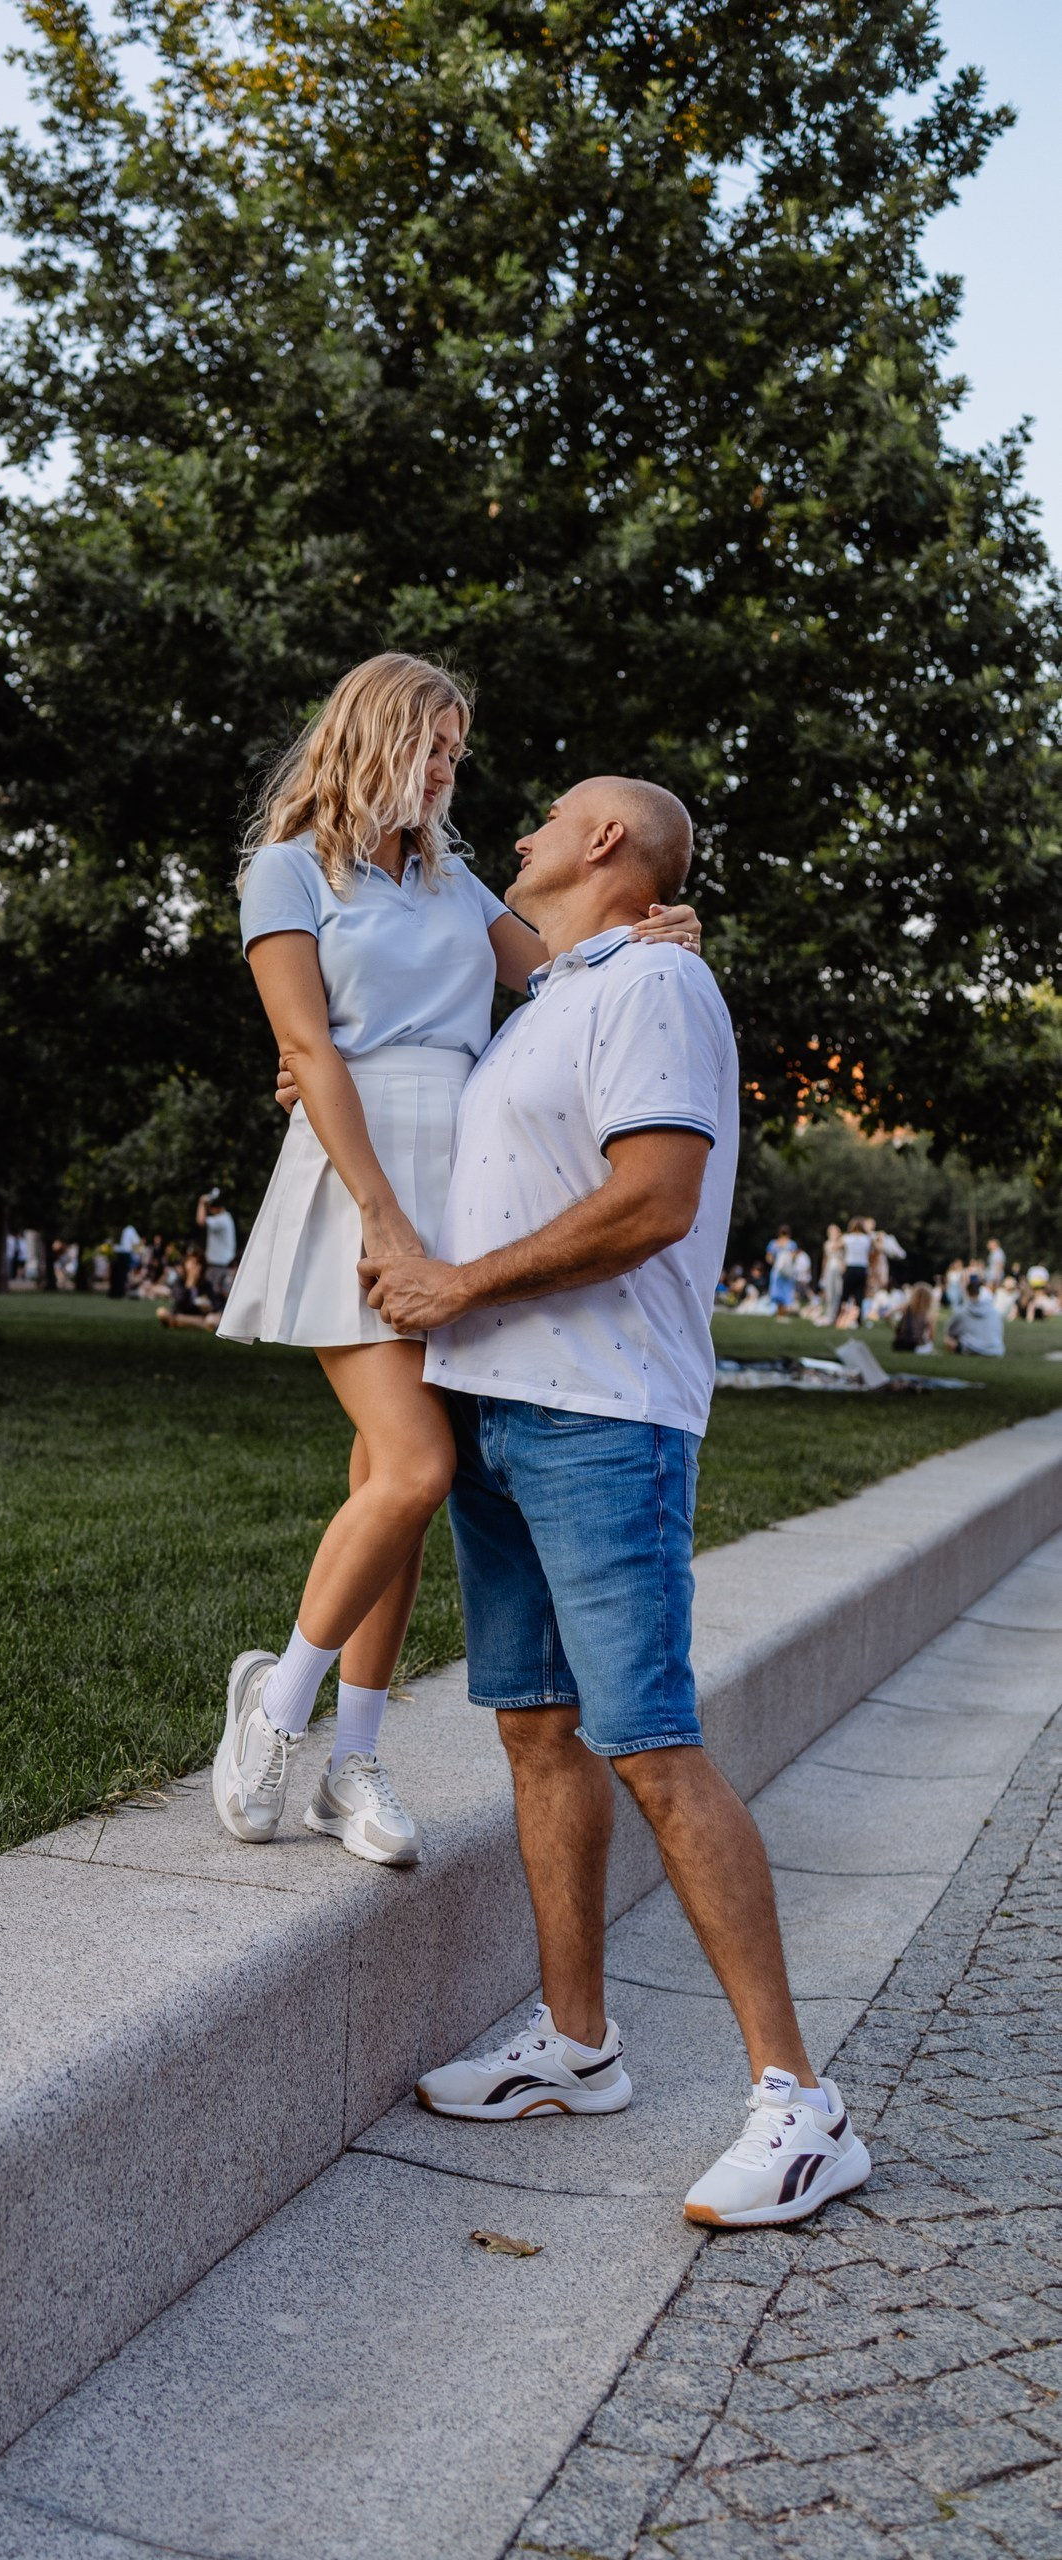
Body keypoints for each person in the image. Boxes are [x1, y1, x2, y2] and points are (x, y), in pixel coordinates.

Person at [360, 777, 870, 2231]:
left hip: (601, 1417)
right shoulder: (564, 991)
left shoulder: (655, 986)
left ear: (604, 842)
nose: (520, 829)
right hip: (495, 1404)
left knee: (648, 1742)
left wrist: (456, 1283)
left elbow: (654, 1198)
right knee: (535, 1730)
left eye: (549, 813)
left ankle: (800, 2103)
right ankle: (575, 2045)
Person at [212, 654, 702, 1868]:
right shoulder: (286, 872)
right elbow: (308, 1052)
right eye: (433, 747)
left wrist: (661, 931)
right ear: (375, 736)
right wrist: (381, 1216)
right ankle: (276, 1705)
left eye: (455, 754)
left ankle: (352, 1760)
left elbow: (569, 973)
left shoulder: (453, 878)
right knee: (419, 1465)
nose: (447, 770)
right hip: (359, 1179)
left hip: (465, 1179)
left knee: (390, 1480)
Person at [158, 1246, 220, 1332]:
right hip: (182, 1315)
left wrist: (208, 1307)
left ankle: (178, 1323)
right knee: (162, 1312)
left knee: (212, 1319)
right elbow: (179, 1303)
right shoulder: (179, 1282)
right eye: (191, 1263)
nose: (194, 1267)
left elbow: (215, 1305)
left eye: (197, 1263)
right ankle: (190, 1324)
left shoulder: (206, 1285)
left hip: (198, 1316)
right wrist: (190, 1282)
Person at [947, 1273, 1005, 1356]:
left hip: (969, 1348)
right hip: (995, 1350)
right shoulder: (995, 1312)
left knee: (949, 1340)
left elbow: (950, 1332)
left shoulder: (962, 1312)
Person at [197, 1192, 238, 1301]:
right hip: (223, 1265)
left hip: (218, 1266)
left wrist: (201, 1203)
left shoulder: (221, 1220)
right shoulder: (226, 1218)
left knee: (211, 1297)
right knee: (220, 1297)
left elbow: (201, 1221)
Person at [838, 1216, 872, 1322]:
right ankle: (858, 1319)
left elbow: (836, 1247)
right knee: (859, 1295)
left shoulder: (847, 1238)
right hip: (862, 1268)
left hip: (850, 1267)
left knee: (845, 1294)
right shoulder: (867, 1239)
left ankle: (841, 1316)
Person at [765, 1225, 798, 1319]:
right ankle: (781, 1313)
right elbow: (794, 1257)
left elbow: (769, 1258)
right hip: (782, 1271)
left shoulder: (774, 1243)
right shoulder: (790, 1244)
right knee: (783, 1291)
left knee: (780, 1291)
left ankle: (781, 1313)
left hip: (781, 1271)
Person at [892, 1282, 934, 1352]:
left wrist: (896, 1330)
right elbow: (931, 1336)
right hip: (918, 1346)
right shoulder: (929, 1313)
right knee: (929, 1345)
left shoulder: (906, 1307)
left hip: (901, 1344)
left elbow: (887, 1315)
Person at [817, 1223, 845, 1326]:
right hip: (830, 1268)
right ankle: (829, 1314)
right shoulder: (827, 1243)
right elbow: (825, 1259)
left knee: (838, 1292)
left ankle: (836, 1315)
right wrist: (823, 1273)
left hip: (838, 1268)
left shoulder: (842, 1243)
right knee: (829, 1293)